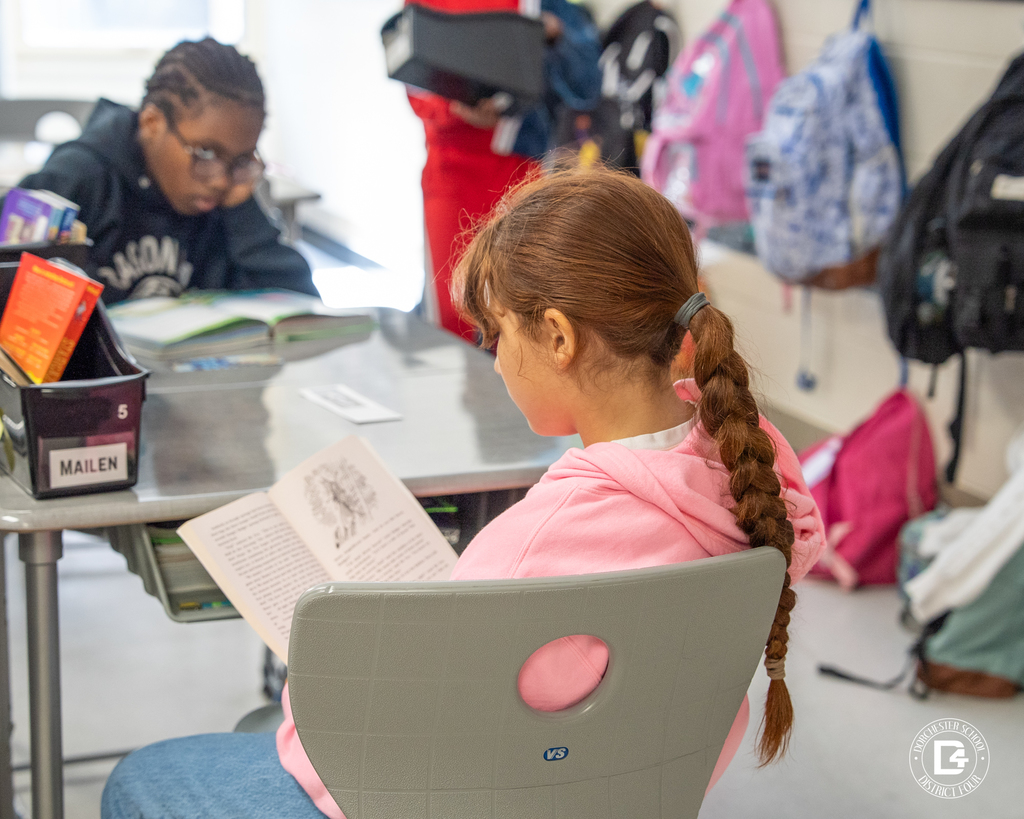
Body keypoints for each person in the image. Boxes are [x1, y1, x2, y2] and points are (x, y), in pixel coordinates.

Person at [100, 167, 825, 819]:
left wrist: (310, 678)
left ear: (558, 336)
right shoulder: (754, 473)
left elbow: (357, 758)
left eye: (496, 333)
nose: (497, 357)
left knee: (145, 775)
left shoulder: (541, 542)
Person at [1, 37, 316, 304]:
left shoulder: (229, 196)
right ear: (152, 124)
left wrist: (243, 213)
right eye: (206, 153)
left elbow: (300, 306)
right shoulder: (76, 178)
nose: (221, 180)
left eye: (242, 159)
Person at [410, 0, 601, 341]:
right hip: (451, 168)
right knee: (455, 320)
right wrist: (454, 107)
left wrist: (555, 35)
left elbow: (587, 85)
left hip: (521, 168)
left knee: (522, 319)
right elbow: (412, 71)